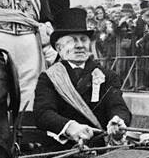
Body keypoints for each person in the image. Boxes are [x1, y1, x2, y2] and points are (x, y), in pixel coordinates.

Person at [34, 8, 134, 149]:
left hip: (101, 150)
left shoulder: (109, 76)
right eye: (72, 41)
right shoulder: (48, 78)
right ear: (58, 47)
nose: (80, 45)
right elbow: (43, 113)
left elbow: (117, 106)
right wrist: (69, 127)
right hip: (62, 153)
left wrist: (118, 120)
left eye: (83, 40)